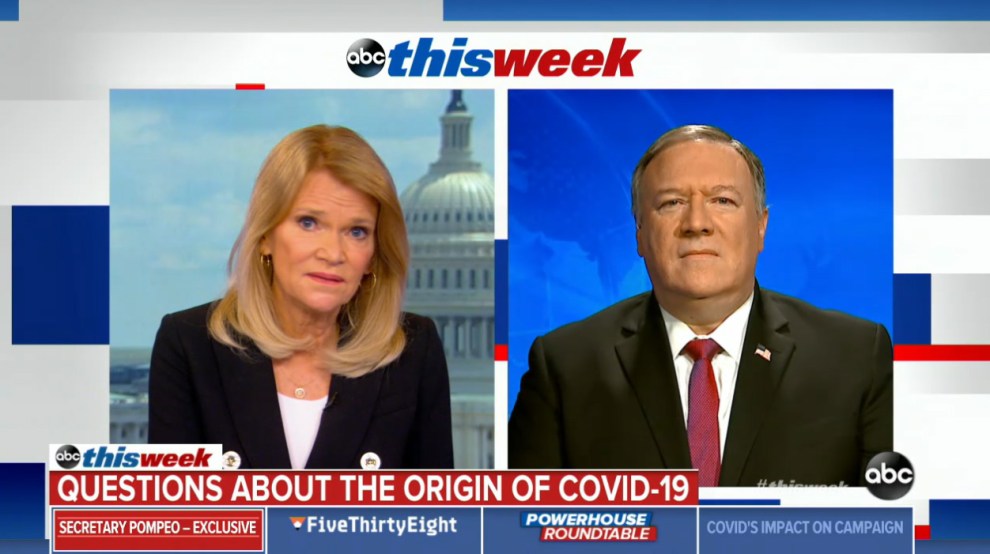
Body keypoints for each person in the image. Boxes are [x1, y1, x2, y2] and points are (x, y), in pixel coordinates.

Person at [508, 124, 892, 487]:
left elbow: (893, 516)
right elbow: (522, 524)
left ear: (761, 226)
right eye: (671, 203)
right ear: (639, 233)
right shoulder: (564, 367)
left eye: (722, 200)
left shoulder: (856, 356)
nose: (696, 223)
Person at [149, 125, 454, 469]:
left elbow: (434, 502)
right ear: (265, 236)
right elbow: (173, 501)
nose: (333, 253)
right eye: (309, 223)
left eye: (357, 231)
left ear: (373, 255)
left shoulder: (412, 350)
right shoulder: (189, 344)